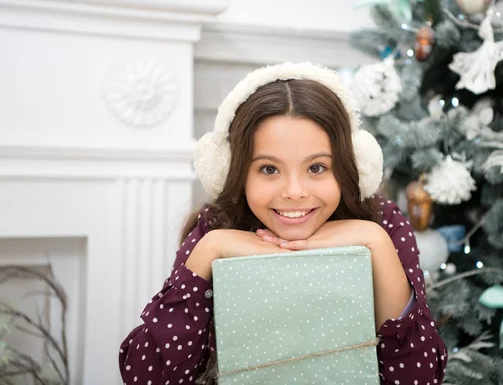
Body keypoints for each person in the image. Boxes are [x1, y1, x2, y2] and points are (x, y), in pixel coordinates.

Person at [119, 62, 448, 384]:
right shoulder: (215, 227)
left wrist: (375, 240)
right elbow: (147, 375)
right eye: (269, 169)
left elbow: (418, 376)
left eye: (317, 168)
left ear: (351, 166)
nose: (294, 192)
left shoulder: (382, 223)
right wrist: (210, 248)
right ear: (236, 171)